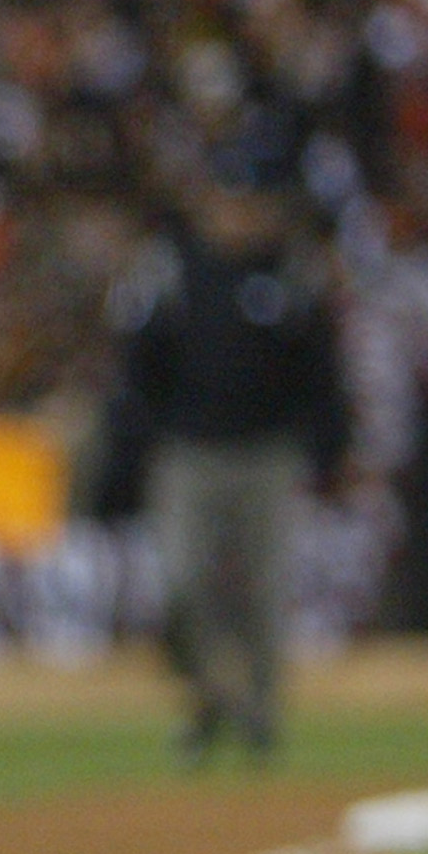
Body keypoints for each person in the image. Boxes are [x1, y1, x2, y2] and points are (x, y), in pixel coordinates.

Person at [116, 159, 351, 761]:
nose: (240, 215)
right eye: (229, 199)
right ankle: (212, 695)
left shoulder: (291, 272)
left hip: (269, 453)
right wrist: (142, 442)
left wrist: (328, 449)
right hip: (188, 451)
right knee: (180, 583)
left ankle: (260, 714)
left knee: (266, 593)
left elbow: (323, 370)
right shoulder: (171, 269)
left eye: (251, 202)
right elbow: (137, 364)